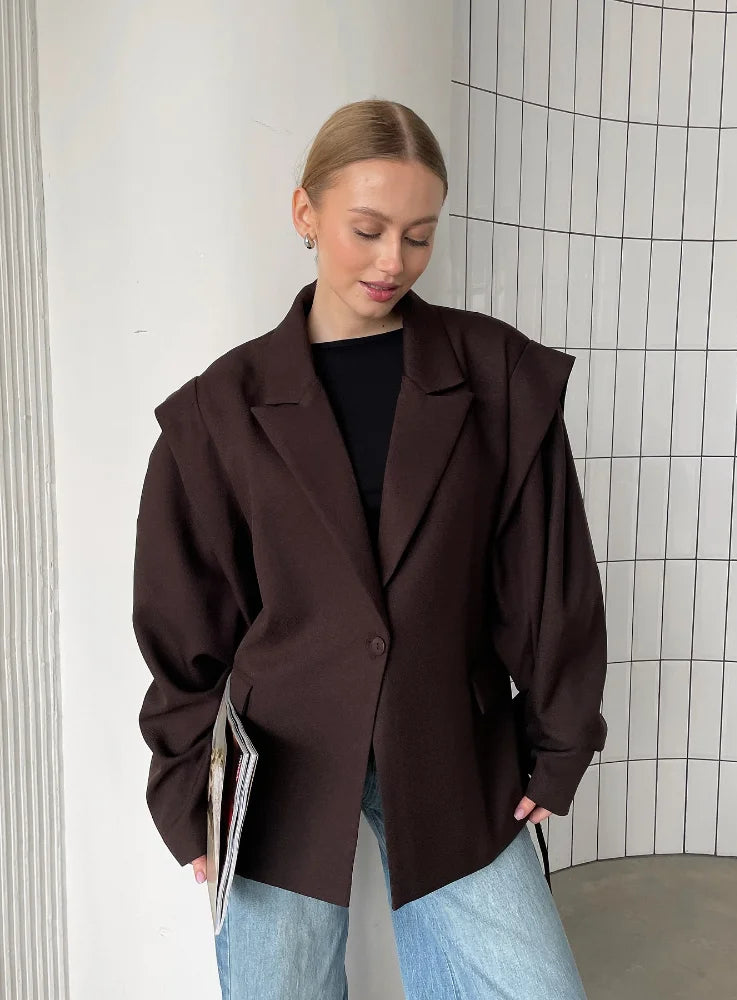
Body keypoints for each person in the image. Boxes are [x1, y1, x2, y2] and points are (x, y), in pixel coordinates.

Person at [132, 98, 607, 999]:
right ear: (305, 213)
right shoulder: (219, 411)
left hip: (452, 739)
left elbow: (547, 579)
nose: (394, 261)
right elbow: (184, 616)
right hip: (278, 758)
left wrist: (560, 739)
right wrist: (187, 780)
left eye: (419, 236)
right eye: (368, 230)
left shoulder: (497, 378)